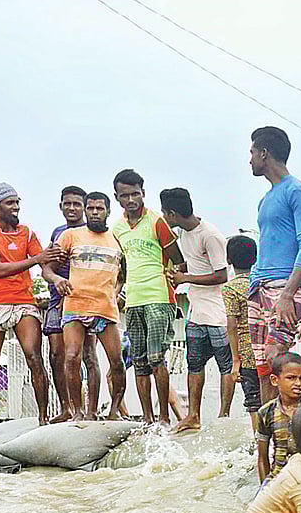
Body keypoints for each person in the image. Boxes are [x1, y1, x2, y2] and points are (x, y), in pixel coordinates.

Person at [0, 183, 63, 437]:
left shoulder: (27, 233)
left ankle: (44, 419)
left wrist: (56, 277)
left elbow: (45, 264)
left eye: (18, 202)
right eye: (10, 203)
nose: (16, 207)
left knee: (34, 357)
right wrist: (37, 260)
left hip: (23, 301)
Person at [248, 126, 301, 404]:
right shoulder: (265, 199)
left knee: (278, 359)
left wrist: (290, 293)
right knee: (265, 367)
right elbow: (277, 243)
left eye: (252, 152)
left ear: (264, 154)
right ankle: (269, 434)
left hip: (283, 290)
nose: (250, 159)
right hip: (260, 287)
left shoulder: (297, 191)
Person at [111, 168, 185, 426]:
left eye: (135, 194)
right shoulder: (117, 229)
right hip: (132, 301)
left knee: (157, 358)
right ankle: (148, 420)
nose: (131, 200)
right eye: (125, 195)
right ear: (117, 197)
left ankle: (164, 418)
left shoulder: (157, 221)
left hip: (159, 298)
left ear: (143, 193)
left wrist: (170, 284)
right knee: (140, 362)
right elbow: (122, 266)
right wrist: (118, 291)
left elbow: (180, 262)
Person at [160, 188, 234, 433]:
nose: (163, 217)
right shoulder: (182, 233)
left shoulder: (210, 235)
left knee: (225, 365)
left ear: (172, 213)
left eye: (164, 213)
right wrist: (178, 271)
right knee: (194, 364)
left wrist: (185, 278)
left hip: (217, 311)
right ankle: (193, 415)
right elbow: (188, 262)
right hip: (196, 311)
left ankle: (224, 415)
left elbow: (221, 275)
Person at [53, 191, 127, 421]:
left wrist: (117, 292)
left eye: (100, 208)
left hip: (104, 308)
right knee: (72, 357)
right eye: (91, 208)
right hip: (75, 305)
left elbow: (124, 273)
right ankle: (78, 412)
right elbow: (48, 267)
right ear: (86, 210)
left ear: (108, 211)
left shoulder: (117, 238)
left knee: (115, 361)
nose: (95, 212)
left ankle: (112, 410)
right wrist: (57, 281)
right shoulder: (71, 235)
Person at [43, 185, 102, 422]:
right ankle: (67, 407)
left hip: (83, 301)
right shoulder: (58, 233)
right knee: (57, 355)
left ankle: (91, 410)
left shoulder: (92, 232)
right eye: (67, 204)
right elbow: (48, 265)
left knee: (87, 354)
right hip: (57, 299)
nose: (72, 208)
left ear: (85, 208)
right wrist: (56, 284)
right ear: (60, 206)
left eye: (77, 204)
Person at [256, 352, 301, 483]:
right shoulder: (266, 412)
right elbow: (262, 458)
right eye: (291, 378)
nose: (298, 383)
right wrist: (265, 488)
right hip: (279, 480)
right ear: (275, 380)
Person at [222, 235, 259, 427]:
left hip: (246, 353)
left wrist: (236, 361)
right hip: (267, 350)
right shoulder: (261, 283)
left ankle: (259, 441)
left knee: (253, 402)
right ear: (254, 259)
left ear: (229, 260)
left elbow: (232, 326)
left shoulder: (230, 289)